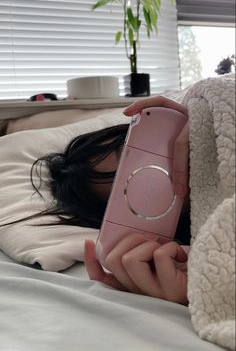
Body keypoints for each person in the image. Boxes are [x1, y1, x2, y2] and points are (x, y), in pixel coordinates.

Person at [30, 95, 190, 304]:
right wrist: (202, 287)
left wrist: (203, 116)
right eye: (133, 191)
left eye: (129, 154)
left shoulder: (201, 122)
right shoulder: (201, 248)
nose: (157, 176)